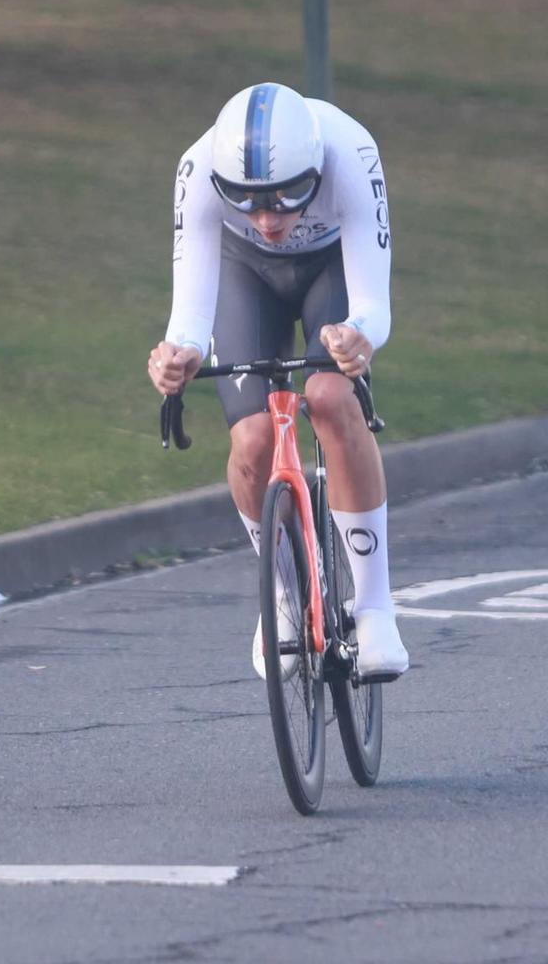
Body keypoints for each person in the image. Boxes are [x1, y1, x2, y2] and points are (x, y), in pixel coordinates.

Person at [145, 83, 408, 682]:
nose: (267, 220)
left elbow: (373, 303)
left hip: (332, 266)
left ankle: (373, 609)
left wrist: (358, 337)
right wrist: (174, 356)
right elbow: (189, 313)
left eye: (287, 201)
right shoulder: (197, 165)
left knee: (329, 396)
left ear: (314, 173)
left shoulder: (351, 150)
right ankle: (285, 595)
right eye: (248, 204)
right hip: (247, 278)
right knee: (254, 441)